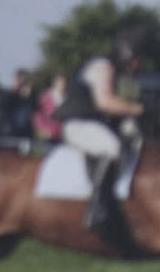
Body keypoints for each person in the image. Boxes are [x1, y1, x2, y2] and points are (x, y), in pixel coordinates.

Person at [53, 28, 146, 231]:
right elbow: (104, 102)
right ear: (126, 53)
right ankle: (96, 209)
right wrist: (139, 109)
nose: (137, 64)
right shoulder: (102, 66)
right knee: (111, 148)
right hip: (77, 124)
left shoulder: (117, 72)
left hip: (93, 124)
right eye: (135, 58)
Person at [33, 72, 67, 143]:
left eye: (64, 83)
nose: (63, 85)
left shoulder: (67, 99)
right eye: (61, 82)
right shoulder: (45, 98)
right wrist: (42, 130)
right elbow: (37, 115)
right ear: (55, 83)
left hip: (62, 136)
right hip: (48, 135)